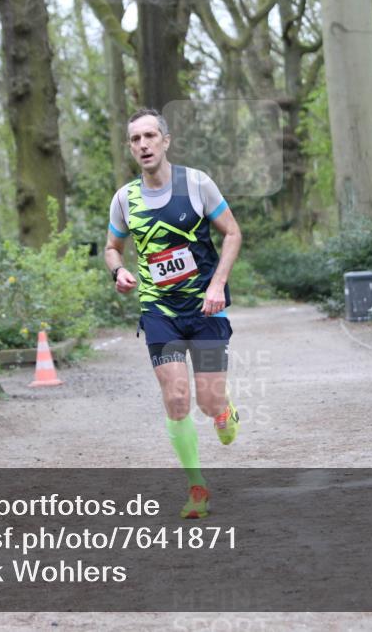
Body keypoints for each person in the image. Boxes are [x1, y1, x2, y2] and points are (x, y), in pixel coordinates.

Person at [104, 108, 243, 519]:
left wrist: (217, 284)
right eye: (135, 139)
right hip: (159, 311)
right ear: (130, 147)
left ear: (166, 140)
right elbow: (112, 247)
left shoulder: (196, 184)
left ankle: (223, 410)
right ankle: (196, 488)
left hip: (206, 308)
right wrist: (120, 270)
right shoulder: (125, 200)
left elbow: (233, 233)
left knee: (207, 399)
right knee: (177, 398)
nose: (143, 144)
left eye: (150, 136)